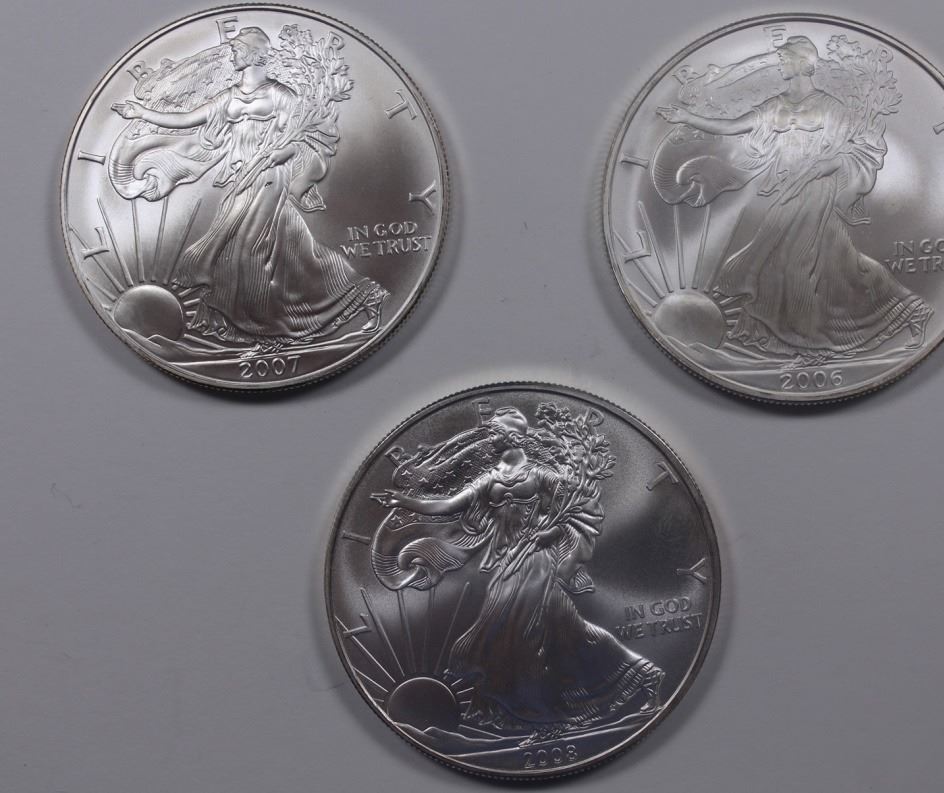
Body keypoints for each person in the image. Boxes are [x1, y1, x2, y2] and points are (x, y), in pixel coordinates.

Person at [372, 408, 663, 743]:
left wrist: (552, 533)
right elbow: (449, 506)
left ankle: (547, 719)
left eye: (495, 432)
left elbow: (583, 507)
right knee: (569, 632)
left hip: (537, 560)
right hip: (508, 560)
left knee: (520, 634)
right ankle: (644, 676)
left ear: (512, 436)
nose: (490, 438)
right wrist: (405, 501)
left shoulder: (540, 475)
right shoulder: (490, 478)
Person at [657, 36, 932, 361]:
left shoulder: (831, 107)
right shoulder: (775, 105)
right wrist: (687, 117)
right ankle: (805, 335)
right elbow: (733, 127)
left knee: (797, 263)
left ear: (804, 63)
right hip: (784, 188)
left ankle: (812, 340)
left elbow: (861, 147)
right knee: (832, 266)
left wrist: (830, 163)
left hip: (816, 191)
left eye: (786, 60)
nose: (781, 65)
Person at [111, 27, 387, 351]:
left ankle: (269, 330)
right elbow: (187, 119)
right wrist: (142, 112)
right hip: (241, 177)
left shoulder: (282, 95)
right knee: (291, 251)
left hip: (270, 176)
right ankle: (362, 296)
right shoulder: (228, 96)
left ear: (255, 54)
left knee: (248, 251)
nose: (232, 54)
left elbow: (308, 137)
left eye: (238, 49)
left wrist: (283, 153)